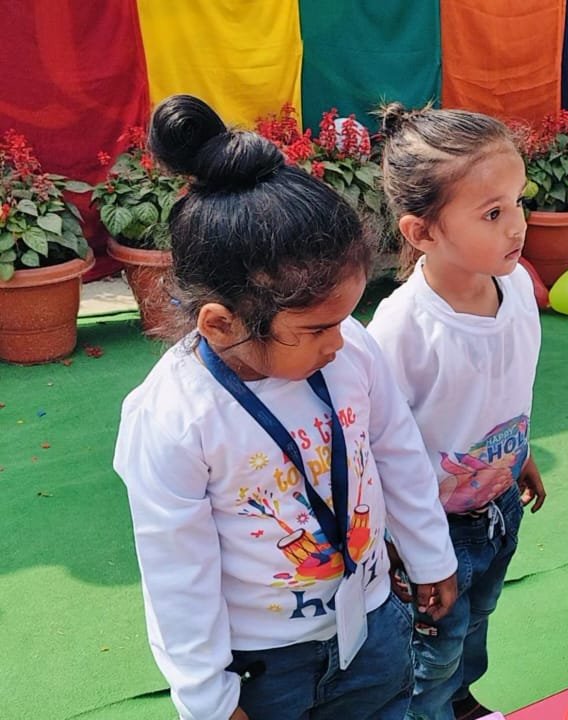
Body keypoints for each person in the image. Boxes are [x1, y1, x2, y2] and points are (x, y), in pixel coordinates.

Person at [113, 95, 458, 720]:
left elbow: (397, 450)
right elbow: (177, 575)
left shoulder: (351, 350)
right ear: (221, 324)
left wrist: (430, 552)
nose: (341, 341)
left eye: (346, 318)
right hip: (265, 667)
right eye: (318, 328)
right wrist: (210, 698)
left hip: (373, 626)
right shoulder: (174, 418)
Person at [367, 104, 545, 720]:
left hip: (497, 508)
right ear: (422, 233)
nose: (517, 225)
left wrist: (519, 455)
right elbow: (376, 449)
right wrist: (404, 547)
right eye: (493, 213)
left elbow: (506, 389)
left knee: (477, 621)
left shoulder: (515, 286)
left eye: (519, 201)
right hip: (431, 530)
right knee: (433, 650)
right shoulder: (402, 328)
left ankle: (461, 703)